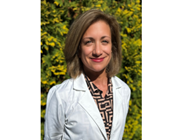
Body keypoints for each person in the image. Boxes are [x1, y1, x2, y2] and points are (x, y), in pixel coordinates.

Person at [44, 9, 131, 140]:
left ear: (113, 47)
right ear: (78, 49)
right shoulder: (61, 96)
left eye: (104, 41)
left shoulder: (123, 90)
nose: (97, 51)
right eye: (88, 42)